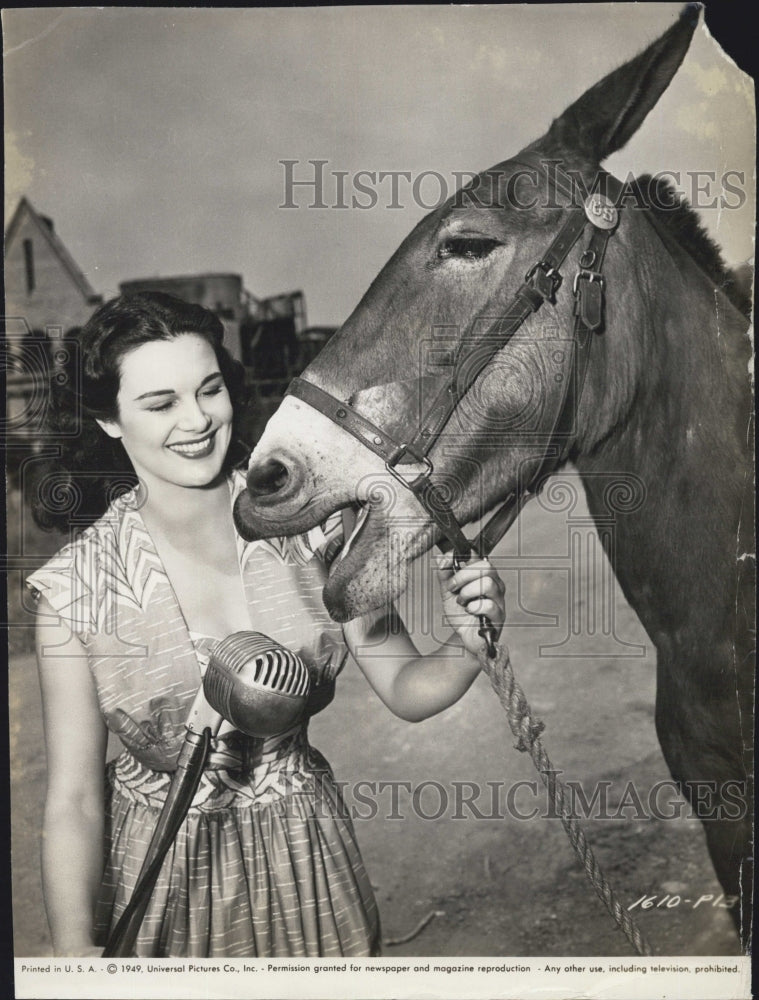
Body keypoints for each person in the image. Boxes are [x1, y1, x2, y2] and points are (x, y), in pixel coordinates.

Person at [27, 292, 506, 958]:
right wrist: (74, 948)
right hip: (163, 877)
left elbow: (407, 687)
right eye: (160, 403)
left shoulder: (307, 524)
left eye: (209, 390)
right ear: (110, 419)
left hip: (306, 859)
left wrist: (467, 639)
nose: (196, 421)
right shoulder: (75, 591)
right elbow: (74, 800)